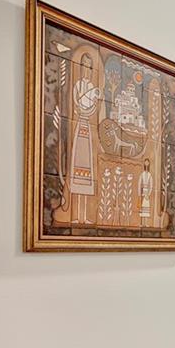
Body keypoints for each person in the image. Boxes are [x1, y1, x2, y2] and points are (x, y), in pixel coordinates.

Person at [69, 54, 101, 223]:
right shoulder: (79, 86)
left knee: (87, 170)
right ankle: (76, 216)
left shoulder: (91, 87)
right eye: (85, 66)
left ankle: (85, 216)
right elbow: (76, 104)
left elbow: (92, 108)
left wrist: (85, 110)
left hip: (86, 127)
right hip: (80, 127)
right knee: (78, 167)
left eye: (89, 67)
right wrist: (82, 109)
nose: (87, 70)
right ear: (81, 67)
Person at [139, 158, 154, 226]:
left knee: (146, 207)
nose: (146, 163)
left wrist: (148, 194)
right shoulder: (142, 174)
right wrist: (140, 193)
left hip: (147, 193)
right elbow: (139, 183)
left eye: (148, 162)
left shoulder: (150, 175)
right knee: (142, 207)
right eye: (145, 162)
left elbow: (151, 185)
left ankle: (146, 223)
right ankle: (141, 223)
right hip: (142, 192)